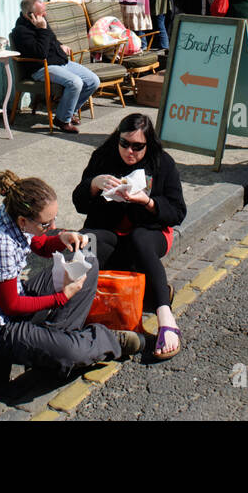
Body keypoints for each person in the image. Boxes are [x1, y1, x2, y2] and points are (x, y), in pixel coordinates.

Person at [0, 170, 138, 376]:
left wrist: (62, 238)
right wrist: (61, 298)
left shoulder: (13, 214)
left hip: (15, 297)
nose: (53, 226)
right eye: (46, 223)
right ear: (23, 221)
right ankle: (98, 341)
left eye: (54, 219)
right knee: (71, 352)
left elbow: (39, 245)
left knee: (88, 262)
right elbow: (11, 306)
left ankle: (53, 344)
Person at [74, 114, 187, 361]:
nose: (130, 151)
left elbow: (178, 211)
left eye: (138, 147)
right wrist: (94, 184)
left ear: (149, 144)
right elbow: (79, 203)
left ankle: (165, 317)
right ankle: (74, 309)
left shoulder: (162, 163)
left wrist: (147, 202)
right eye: (124, 143)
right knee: (84, 241)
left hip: (149, 231)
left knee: (140, 241)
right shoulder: (103, 157)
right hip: (109, 231)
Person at [10, 0, 100, 133]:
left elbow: (51, 39)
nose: (45, 14)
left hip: (60, 61)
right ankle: (63, 121)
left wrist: (60, 45)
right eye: (42, 13)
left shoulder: (42, 21)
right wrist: (42, 30)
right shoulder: (21, 32)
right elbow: (41, 53)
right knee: (75, 82)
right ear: (30, 15)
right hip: (41, 67)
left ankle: (67, 113)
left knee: (93, 81)